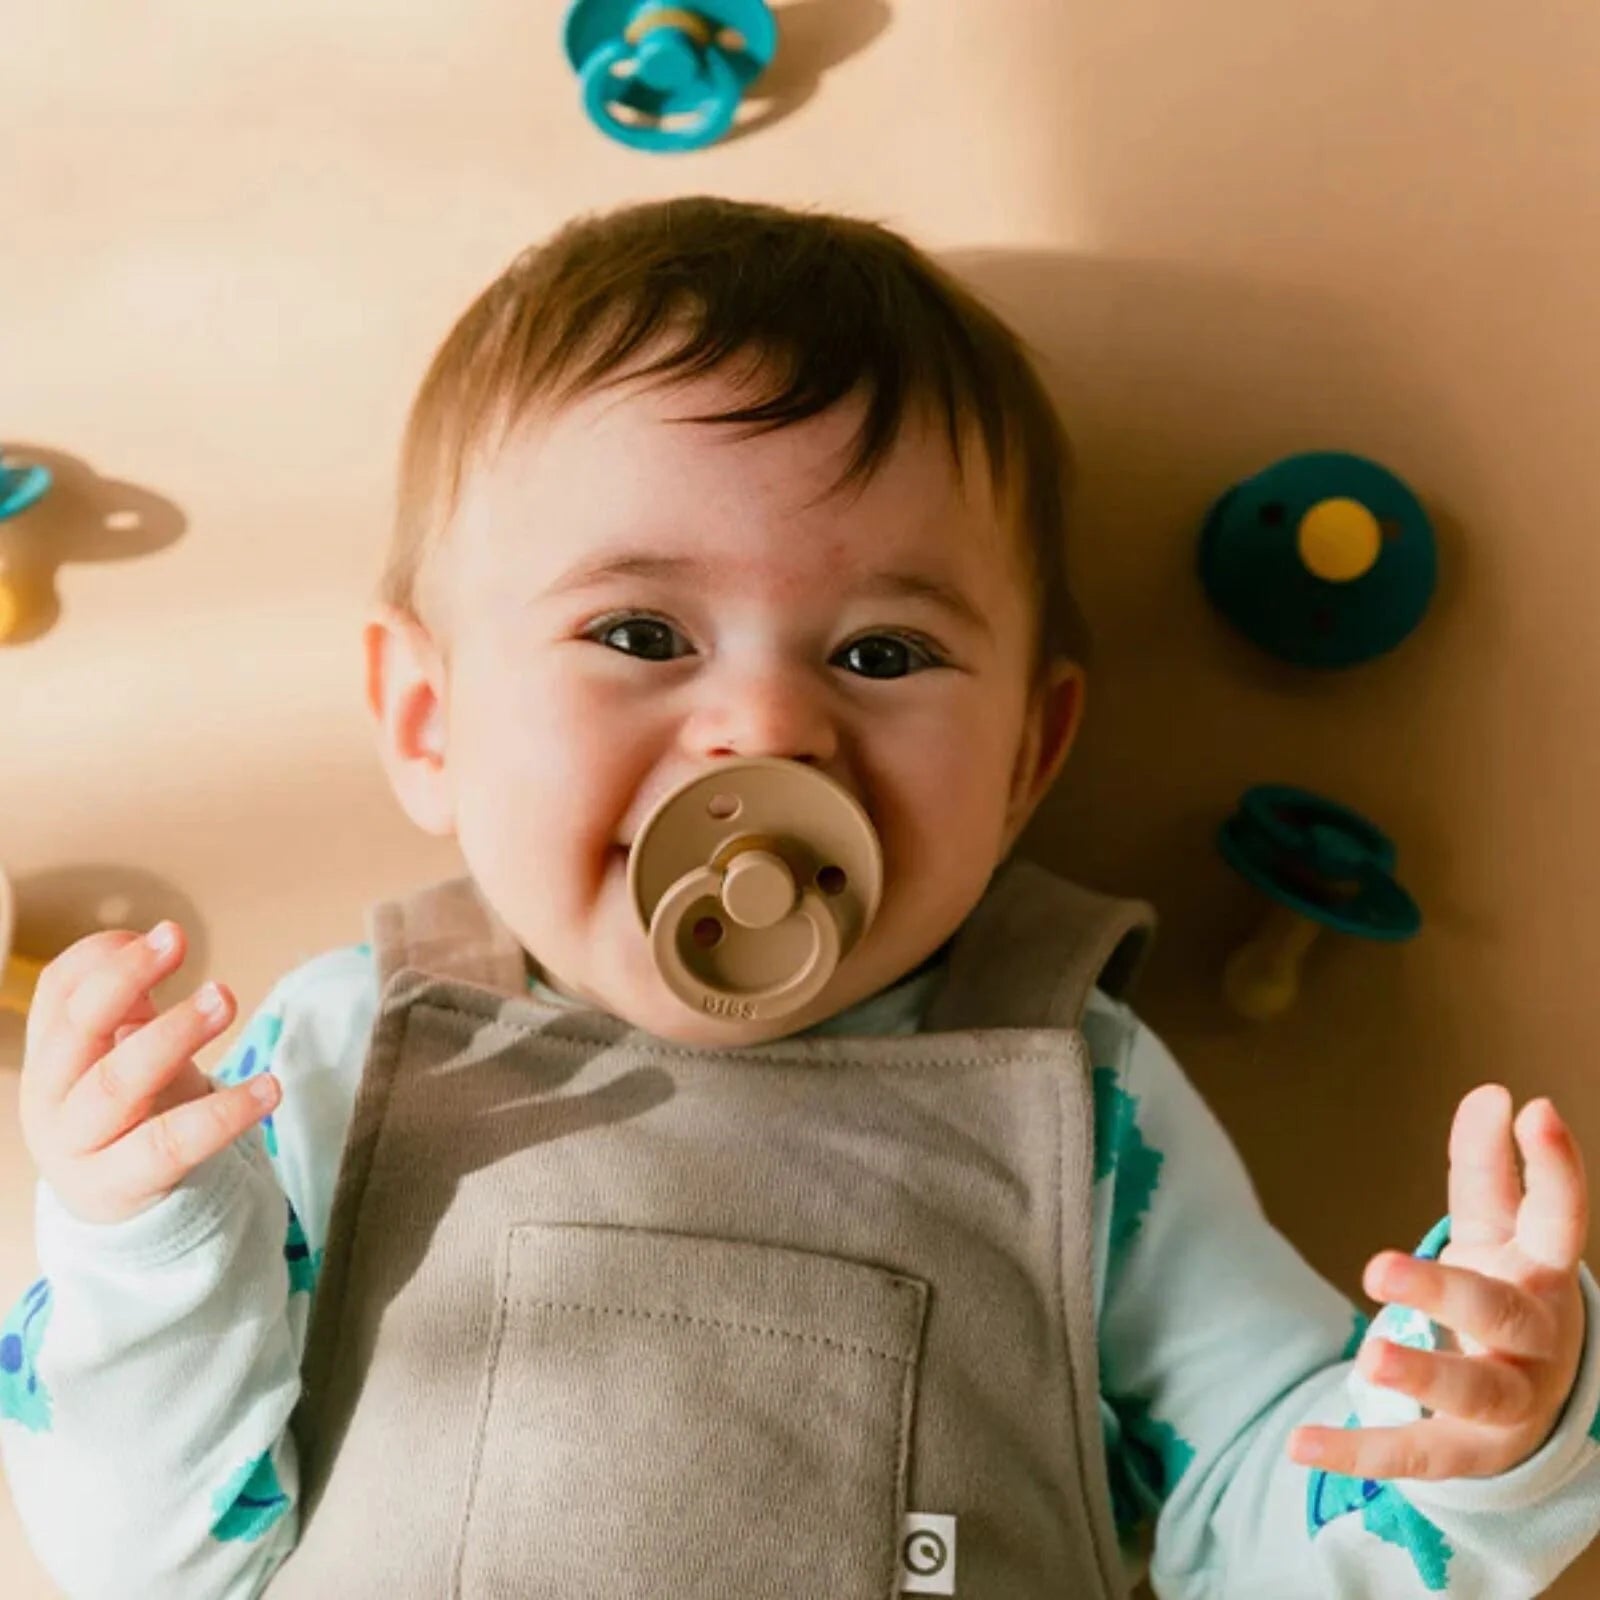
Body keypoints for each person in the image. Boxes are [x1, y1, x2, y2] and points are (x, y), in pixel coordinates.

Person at [4, 196, 1598, 1599]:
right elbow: (154, 1558)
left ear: (1027, 757)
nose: (766, 731)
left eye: (884, 654)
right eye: (640, 635)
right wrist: (143, 1252)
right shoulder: (340, 1052)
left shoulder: (1075, 1091)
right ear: (431, 722)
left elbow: (1266, 1528)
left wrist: (1477, 1434)